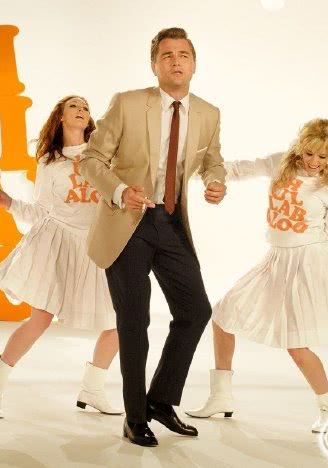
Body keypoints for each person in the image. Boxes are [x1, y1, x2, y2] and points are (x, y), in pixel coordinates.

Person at [80, 28, 227, 447]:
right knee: (134, 321)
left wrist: (215, 181)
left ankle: (160, 401)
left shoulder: (208, 113)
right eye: (167, 55)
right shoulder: (128, 103)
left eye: (183, 54)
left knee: (195, 311)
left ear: (194, 64)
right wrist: (119, 190)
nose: (175, 61)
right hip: (126, 222)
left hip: (172, 222)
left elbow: (213, 160)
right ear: (154, 65)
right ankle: (134, 417)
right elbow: (91, 158)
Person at [185, 118, 328, 433]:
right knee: (223, 316)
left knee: (296, 345)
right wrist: (197, 172)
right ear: (301, 147)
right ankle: (221, 397)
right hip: (276, 259)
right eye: (309, 153)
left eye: (324, 157)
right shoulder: (280, 163)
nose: (314, 162)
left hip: (309, 263)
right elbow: (240, 169)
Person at [0, 96, 123, 417]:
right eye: (74, 106)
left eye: (85, 107)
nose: (81, 110)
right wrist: (9, 203)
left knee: (119, 322)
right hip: (57, 242)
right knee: (40, 319)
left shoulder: (105, 155)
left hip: (94, 246)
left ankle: (92, 389)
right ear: (60, 116)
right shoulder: (49, 161)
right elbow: (41, 211)